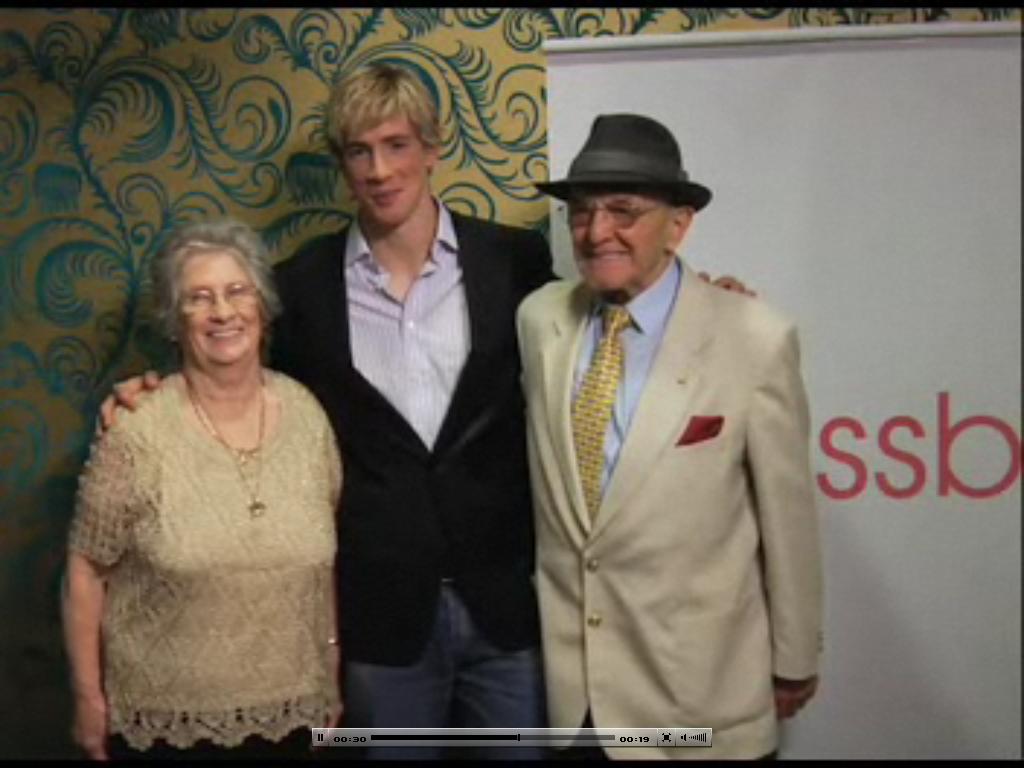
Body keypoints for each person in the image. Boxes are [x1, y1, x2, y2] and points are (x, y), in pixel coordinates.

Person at [98, 66, 752, 761]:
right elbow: (240, 386)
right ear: (342, 164)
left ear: (433, 149)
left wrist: (695, 306)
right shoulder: (302, 287)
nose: (380, 170)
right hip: (381, 617)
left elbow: (606, 326)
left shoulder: (513, 260)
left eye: (397, 145)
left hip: (508, 610)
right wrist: (154, 393)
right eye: (360, 151)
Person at [518, 113, 823, 760]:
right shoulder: (539, 319)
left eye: (623, 211)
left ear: (679, 225)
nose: (596, 231)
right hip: (578, 708)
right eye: (582, 212)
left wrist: (794, 655)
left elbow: (787, 516)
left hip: (700, 703)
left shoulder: (753, 337)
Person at [63, 219, 342, 760]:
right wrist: (87, 699)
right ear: (175, 320)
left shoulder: (307, 415)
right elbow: (85, 573)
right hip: (165, 729)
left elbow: (323, 567)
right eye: (199, 298)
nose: (222, 312)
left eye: (237, 291)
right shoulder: (136, 429)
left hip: (296, 717)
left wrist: (330, 668)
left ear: (262, 306)